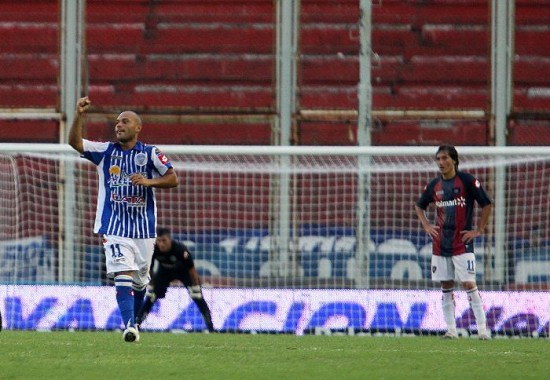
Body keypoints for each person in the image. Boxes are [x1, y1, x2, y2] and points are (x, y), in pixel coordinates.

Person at [69, 96, 178, 342]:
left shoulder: (150, 153)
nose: (119, 125)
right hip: (114, 227)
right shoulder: (105, 152)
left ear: (137, 128)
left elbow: (173, 178)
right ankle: (129, 325)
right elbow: (74, 142)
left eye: (125, 121)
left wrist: (149, 182)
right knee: (122, 272)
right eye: (117, 122)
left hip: (144, 231)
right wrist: (79, 115)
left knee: (140, 282)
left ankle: (134, 324)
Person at [414, 145, 493, 340]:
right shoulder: (434, 186)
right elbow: (419, 206)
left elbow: (487, 204)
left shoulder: (467, 181)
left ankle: (482, 329)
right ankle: (451, 330)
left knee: (468, 283)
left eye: (444, 159)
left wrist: (479, 230)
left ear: (454, 161)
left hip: (462, 242)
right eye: (438, 159)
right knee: (446, 285)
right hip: (441, 243)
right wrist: (426, 225)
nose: (441, 163)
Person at [135, 228, 215, 332]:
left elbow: (191, 269)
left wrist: (196, 286)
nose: (161, 244)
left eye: (164, 240)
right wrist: (151, 284)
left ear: (170, 239)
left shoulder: (180, 249)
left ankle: (211, 328)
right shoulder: (154, 249)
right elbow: (150, 268)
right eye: (159, 241)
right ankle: (137, 325)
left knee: (198, 297)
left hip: (183, 272)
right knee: (151, 296)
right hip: (164, 272)